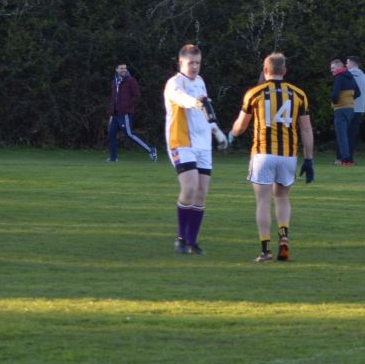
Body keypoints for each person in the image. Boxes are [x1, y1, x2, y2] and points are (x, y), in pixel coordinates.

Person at [227, 52, 315, 263]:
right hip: (288, 155)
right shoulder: (298, 94)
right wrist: (309, 159)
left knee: (263, 201)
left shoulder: (254, 93)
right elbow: (306, 129)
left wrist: (232, 132)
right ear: (284, 71)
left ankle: (265, 250)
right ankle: (283, 236)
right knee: (283, 198)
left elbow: (240, 127)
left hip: (263, 153)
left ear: (265, 70)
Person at [164, 44, 215, 255]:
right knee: (190, 188)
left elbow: (206, 109)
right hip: (181, 141)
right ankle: (181, 238)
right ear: (181, 63)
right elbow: (181, 99)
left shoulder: (201, 82)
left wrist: (216, 130)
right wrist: (195, 102)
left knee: (201, 193)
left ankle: (192, 242)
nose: (195, 67)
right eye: (190, 63)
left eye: (198, 63)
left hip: (203, 144)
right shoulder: (174, 83)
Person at [107, 63, 156, 162]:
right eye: (121, 68)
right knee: (111, 134)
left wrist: (127, 106)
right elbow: (113, 99)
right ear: (116, 69)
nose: (124, 70)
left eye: (125, 68)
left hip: (125, 113)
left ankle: (151, 150)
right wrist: (111, 114)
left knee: (129, 134)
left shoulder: (130, 81)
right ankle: (113, 158)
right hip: (115, 114)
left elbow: (137, 95)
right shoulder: (114, 82)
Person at [329, 58, 361, 166]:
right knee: (347, 135)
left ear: (339, 67)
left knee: (341, 135)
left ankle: (346, 159)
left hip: (340, 109)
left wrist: (335, 102)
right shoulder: (351, 77)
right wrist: (348, 99)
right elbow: (358, 93)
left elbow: (334, 95)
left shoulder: (339, 78)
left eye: (333, 68)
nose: (331, 70)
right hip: (350, 109)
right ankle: (348, 158)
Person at [346, 55, 365, 152]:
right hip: (358, 110)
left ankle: (341, 157)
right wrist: (364, 108)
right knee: (352, 134)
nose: (346, 65)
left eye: (348, 62)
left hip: (345, 108)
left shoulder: (344, 77)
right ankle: (350, 157)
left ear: (353, 63)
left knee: (343, 133)